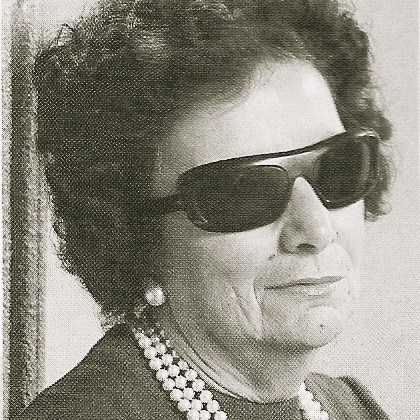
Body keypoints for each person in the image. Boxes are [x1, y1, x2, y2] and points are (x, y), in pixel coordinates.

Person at [20, 0, 393, 418]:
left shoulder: (351, 408)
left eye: (339, 168)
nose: (317, 229)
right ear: (137, 241)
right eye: (246, 192)